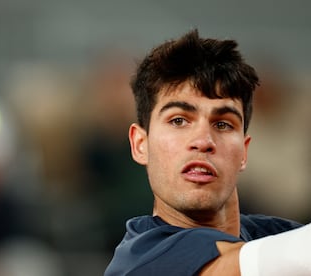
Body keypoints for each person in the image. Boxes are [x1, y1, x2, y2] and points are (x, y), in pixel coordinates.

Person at [104, 29, 311, 276]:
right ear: (140, 144)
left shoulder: (274, 235)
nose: (203, 141)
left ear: (244, 153)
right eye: (179, 120)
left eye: (223, 124)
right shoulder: (140, 264)